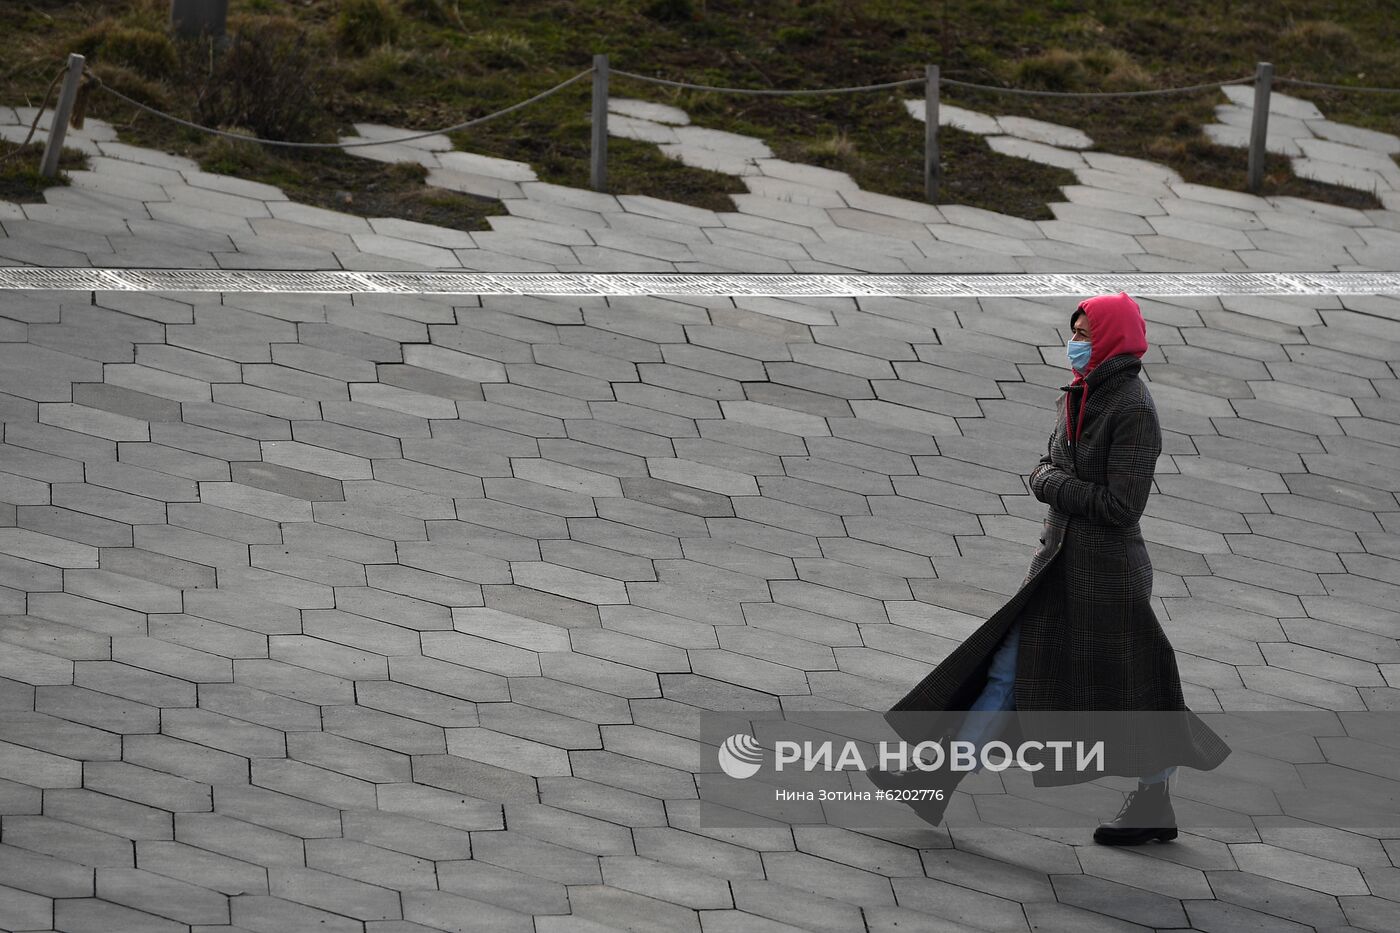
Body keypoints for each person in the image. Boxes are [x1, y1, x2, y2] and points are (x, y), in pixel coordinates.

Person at [869, 292, 1230, 844]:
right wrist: (1050, 478)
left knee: (1141, 689)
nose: (1075, 343)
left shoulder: (1133, 408)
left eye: (1085, 335)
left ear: (1111, 340)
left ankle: (1153, 800)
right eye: (1075, 332)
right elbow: (1048, 463)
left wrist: (1051, 483)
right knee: (1009, 672)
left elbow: (1121, 506)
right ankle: (935, 779)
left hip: (1107, 575)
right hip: (1057, 563)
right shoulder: (1079, 393)